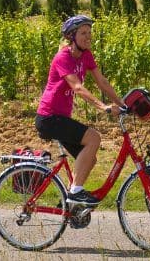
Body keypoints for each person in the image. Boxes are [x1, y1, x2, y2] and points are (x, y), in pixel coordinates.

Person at [34, 14, 125, 206]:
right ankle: (75, 192)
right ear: (72, 37)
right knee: (93, 138)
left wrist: (123, 104)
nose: (88, 36)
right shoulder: (63, 57)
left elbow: (102, 82)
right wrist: (103, 106)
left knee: (89, 160)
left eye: (89, 32)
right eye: (83, 33)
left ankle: (69, 200)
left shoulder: (86, 55)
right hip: (49, 117)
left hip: (60, 117)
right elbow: (77, 87)